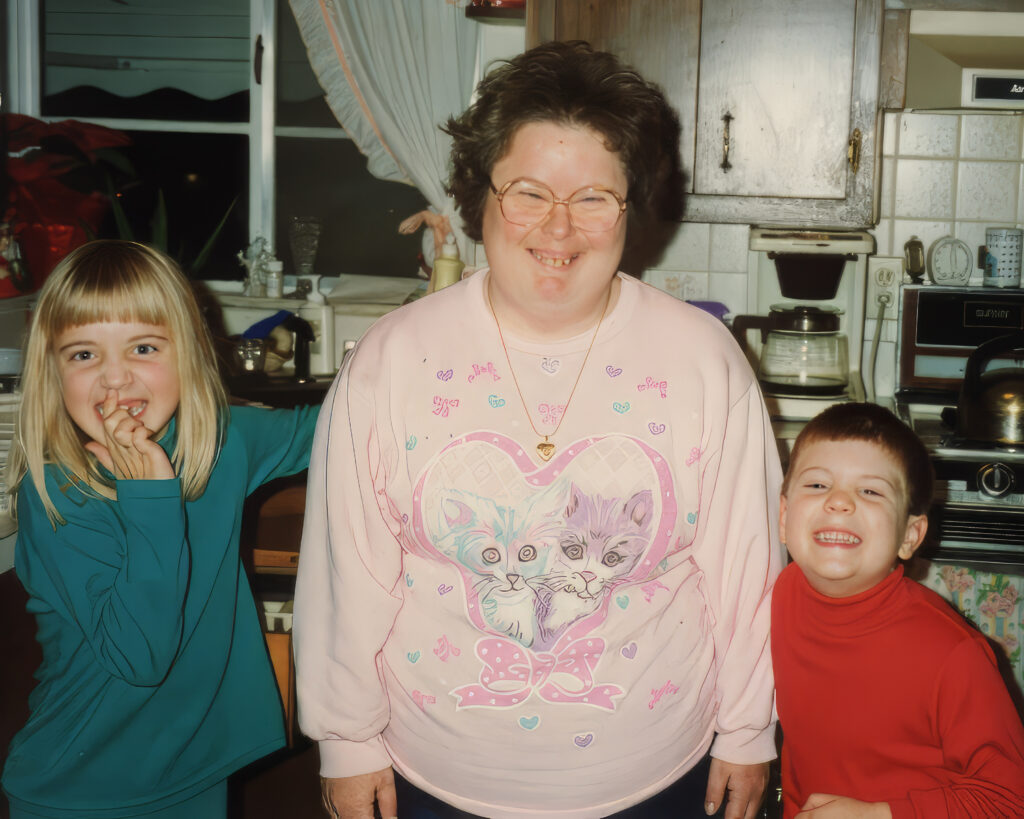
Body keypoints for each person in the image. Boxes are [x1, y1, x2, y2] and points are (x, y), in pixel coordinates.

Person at [294, 40, 783, 819]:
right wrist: (346, 742)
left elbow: (748, 570)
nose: (559, 228)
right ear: (479, 196)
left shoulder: (703, 358)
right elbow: (346, 572)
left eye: (594, 197)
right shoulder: (393, 359)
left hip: (659, 775)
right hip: (430, 779)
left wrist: (748, 730)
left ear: (633, 208)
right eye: (528, 192)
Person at [1, 240, 319, 818]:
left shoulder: (224, 440)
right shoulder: (58, 496)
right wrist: (150, 496)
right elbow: (140, 657)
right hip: (81, 788)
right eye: (83, 355)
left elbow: (335, 426)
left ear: (188, 352)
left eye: (143, 347)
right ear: (53, 370)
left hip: (195, 767)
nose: (114, 380)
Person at [771, 402, 1024, 818]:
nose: (839, 502)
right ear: (784, 516)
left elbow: (1010, 801)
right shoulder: (783, 593)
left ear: (909, 536)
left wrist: (880, 815)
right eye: (817, 485)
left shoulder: (953, 656)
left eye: (869, 491)